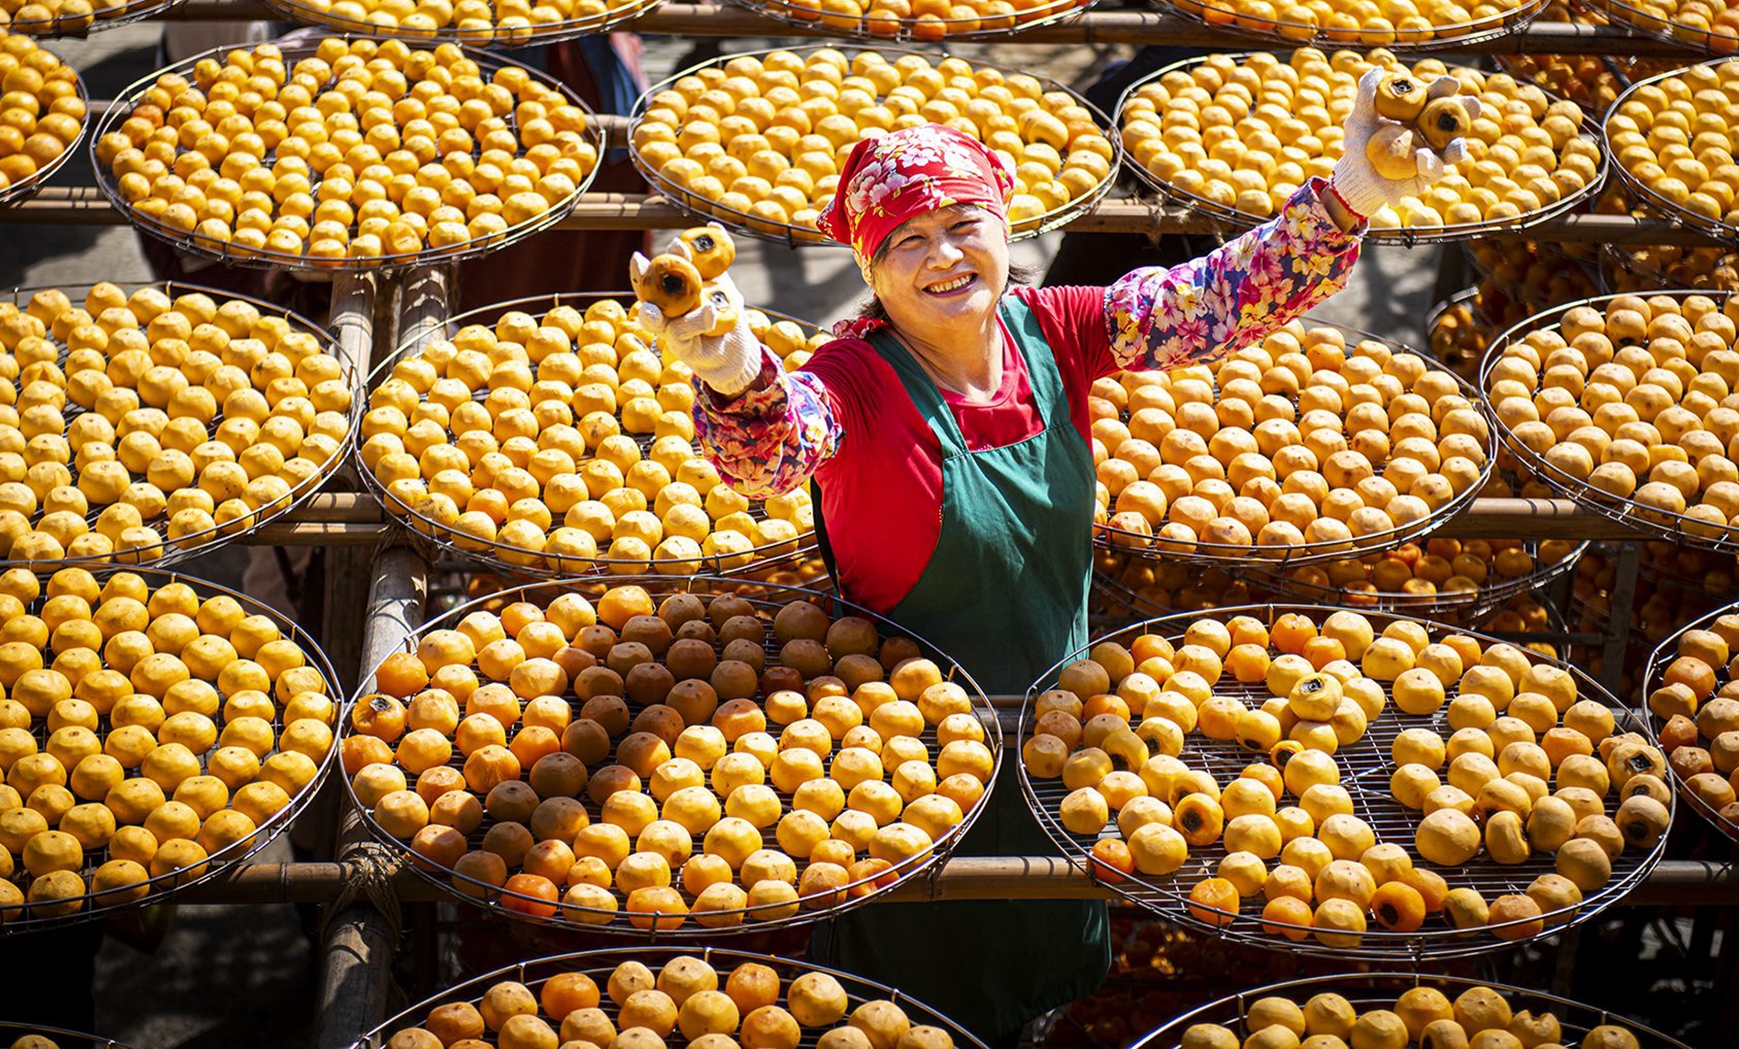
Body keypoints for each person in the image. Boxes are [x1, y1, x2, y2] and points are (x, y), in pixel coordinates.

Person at [628, 66, 1469, 1041]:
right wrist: (730, 368)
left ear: (1003, 228)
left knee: (1038, 1000)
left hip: (1060, 749)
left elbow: (1213, 302)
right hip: (905, 779)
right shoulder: (852, 381)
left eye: (963, 224)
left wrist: (1350, 196)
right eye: (905, 239)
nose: (942, 255)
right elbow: (771, 451)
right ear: (870, 266)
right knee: (904, 1014)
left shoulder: (1055, 331)